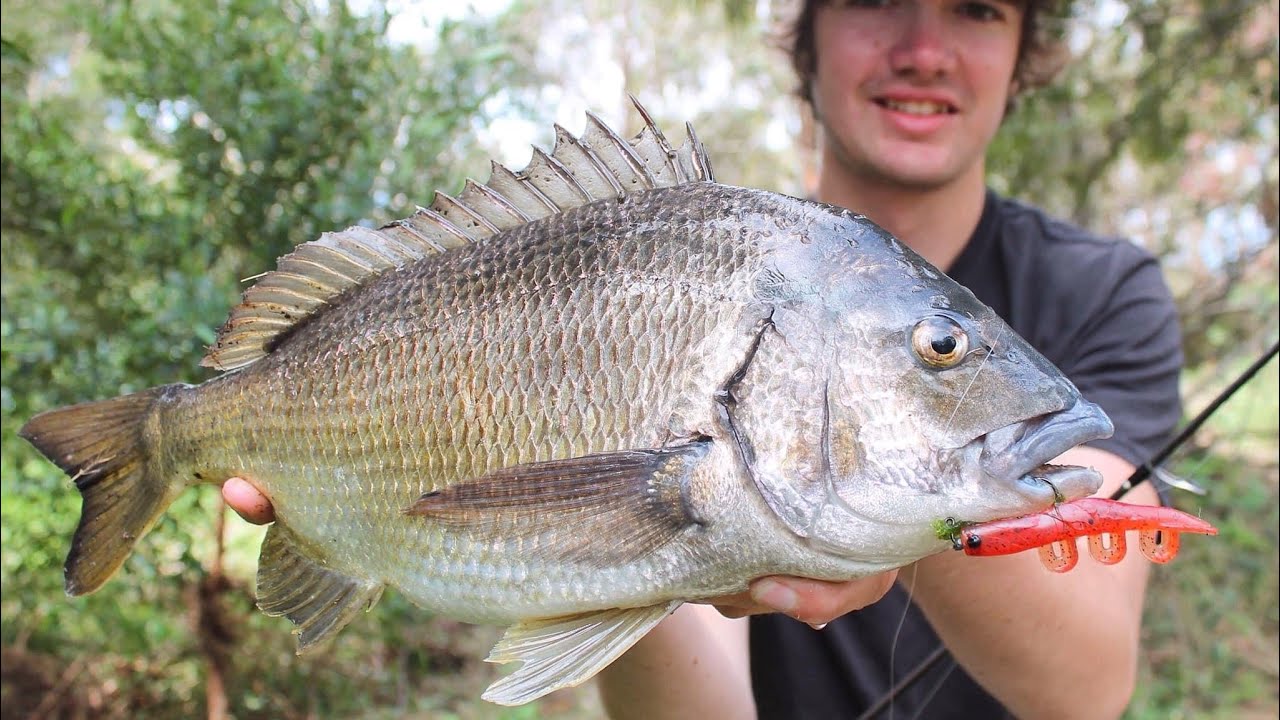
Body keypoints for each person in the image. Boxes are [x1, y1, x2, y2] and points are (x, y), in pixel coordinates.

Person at [222, 0, 1184, 717]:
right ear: (803, 37)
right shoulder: (711, 261)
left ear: (1026, 51)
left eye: (977, 6)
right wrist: (632, 543)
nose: (923, 48)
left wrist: (912, 503)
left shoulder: (1106, 297)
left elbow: (1088, 689)